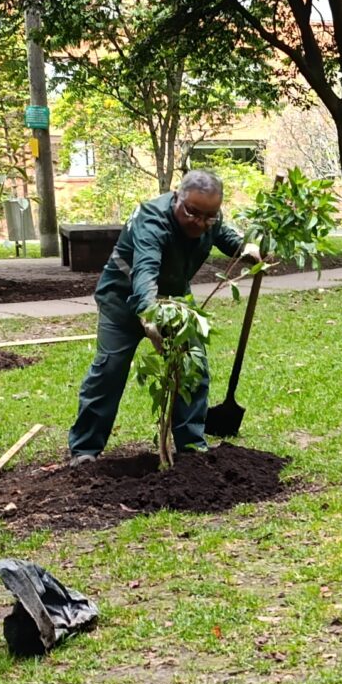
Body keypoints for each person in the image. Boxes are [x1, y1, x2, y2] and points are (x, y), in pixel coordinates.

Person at [67, 169, 256, 463]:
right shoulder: (151, 220)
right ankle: (85, 450)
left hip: (175, 301)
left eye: (210, 216)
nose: (200, 223)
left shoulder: (208, 220)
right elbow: (145, 271)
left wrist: (249, 248)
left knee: (193, 367)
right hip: (122, 300)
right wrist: (149, 314)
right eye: (193, 213)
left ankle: (191, 446)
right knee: (109, 369)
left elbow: (225, 236)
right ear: (176, 198)